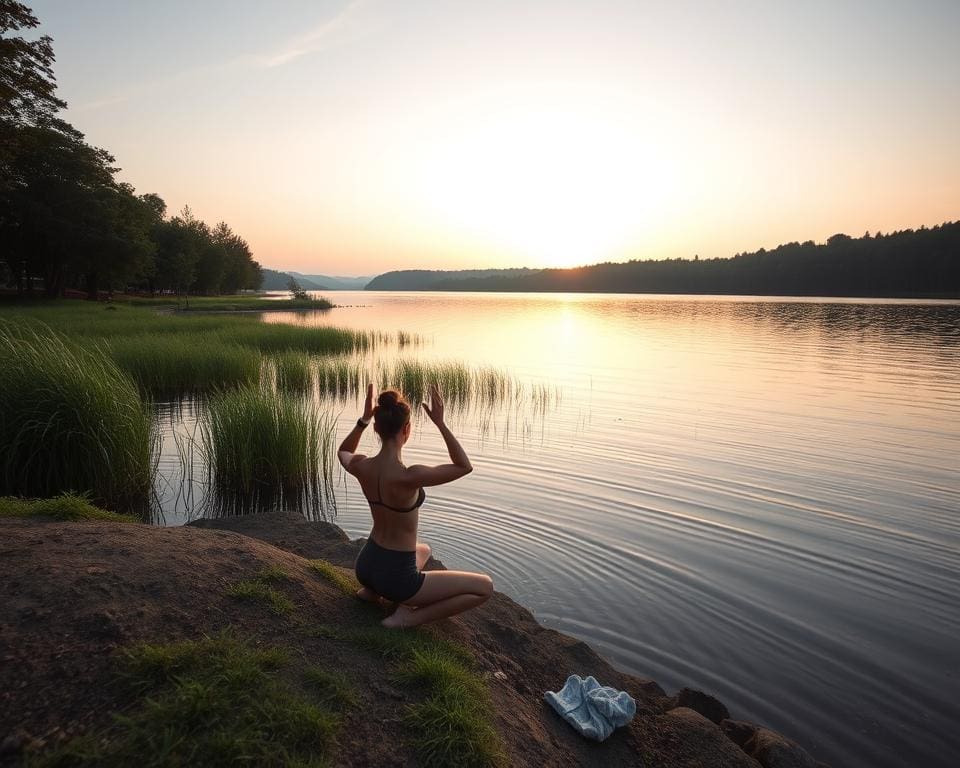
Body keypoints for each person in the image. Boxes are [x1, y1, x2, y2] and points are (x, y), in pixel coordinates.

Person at [337, 383, 494, 628]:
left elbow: (344, 450)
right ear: (407, 430)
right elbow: (464, 466)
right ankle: (409, 617)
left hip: (366, 567)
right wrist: (440, 423)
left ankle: (372, 591)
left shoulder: (362, 465)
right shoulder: (409, 476)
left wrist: (363, 419)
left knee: (424, 549)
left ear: (377, 428)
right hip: (397, 579)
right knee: (485, 586)